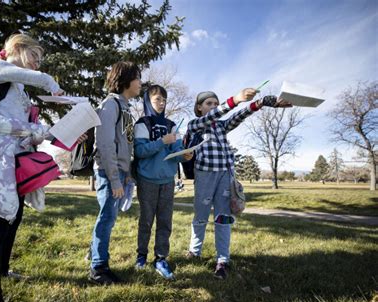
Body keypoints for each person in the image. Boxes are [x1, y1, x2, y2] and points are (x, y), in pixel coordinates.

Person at [0, 33, 64, 302]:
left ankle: (3, 269)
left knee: (13, 217)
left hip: (14, 160)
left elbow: (24, 128)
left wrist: (49, 133)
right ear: (17, 48)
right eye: (35, 57)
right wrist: (50, 82)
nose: (36, 64)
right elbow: (10, 123)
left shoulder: (19, 87)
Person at [185, 89, 291, 280]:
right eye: (209, 103)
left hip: (225, 176)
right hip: (205, 175)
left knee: (223, 217)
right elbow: (220, 113)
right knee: (200, 215)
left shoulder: (222, 126)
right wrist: (235, 99)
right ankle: (194, 252)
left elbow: (238, 116)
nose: (214, 107)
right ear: (199, 108)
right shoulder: (195, 125)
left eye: (216, 104)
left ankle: (223, 260)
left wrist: (260, 103)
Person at [89, 61, 141, 285]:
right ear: (125, 80)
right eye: (137, 77)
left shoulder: (126, 108)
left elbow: (127, 144)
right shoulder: (109, 105)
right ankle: (98, 269)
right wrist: (114, 180)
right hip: (108, 172)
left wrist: (127, 173)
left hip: (120, 172)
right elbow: (105, 144)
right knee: (107, 218)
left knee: (109, 217)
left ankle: (95, 255)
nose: (141, 82)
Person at [133, 85, 193, 280]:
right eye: (157, 99)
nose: (161, 103)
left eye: (163, 100)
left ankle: (160, 258)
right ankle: (141, 256)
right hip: (147, 180)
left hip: (168, 181)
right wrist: (161, 141)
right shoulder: (142, 123)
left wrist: (185, 155)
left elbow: (175, 152)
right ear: (148, 101)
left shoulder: (171, 124)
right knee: (146, 221)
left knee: (165, 222)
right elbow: (140, 152)